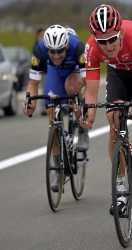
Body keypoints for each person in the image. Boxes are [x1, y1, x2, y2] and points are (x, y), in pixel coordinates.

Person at [81, 5, 132, 215]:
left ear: (120, 32)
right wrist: (88, 114)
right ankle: (120, 192)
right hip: (118, 71)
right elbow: (91, 90)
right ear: (95, 39)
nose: (108, 46)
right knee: (113, 120)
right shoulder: (91, 48)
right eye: (103, 41)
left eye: (112, 39)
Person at [22, 24, 90, 190]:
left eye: (60, 51)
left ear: (66, 46)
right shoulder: (39, 51)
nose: (56, 55)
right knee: (51, 115)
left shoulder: (77, 48)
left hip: (74, 71)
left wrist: (85, 105)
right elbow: (33, 84)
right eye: (52, 52)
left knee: (72, 88)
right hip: (54, 73)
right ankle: (57, 170)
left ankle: (82, 128)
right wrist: (30, 102)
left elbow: (89, 82)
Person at [32, 28, 48, 116]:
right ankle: (44, 108)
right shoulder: (36, 46)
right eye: (41, 36)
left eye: (43, 36)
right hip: (43, 71)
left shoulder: (49, 44)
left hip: (50, 69)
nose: (42, 37)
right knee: (44, 89)